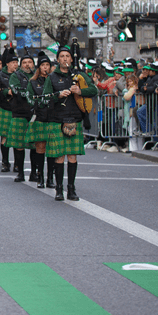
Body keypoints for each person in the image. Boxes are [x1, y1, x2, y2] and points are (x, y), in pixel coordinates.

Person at [42, 45, 98, 201]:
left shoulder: (79, 75)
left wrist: (80, 92)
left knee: (72, 156)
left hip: (74, 119)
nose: (65, 58)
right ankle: (59, 189)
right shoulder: (52, 77)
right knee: (59, 157)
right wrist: (57, 95)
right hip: (57, 120)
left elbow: (94, 90)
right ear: (58, 59)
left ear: (71, 59)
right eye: (62, 56)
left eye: (67, 56)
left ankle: (71, 189)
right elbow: (44, 98)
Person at [27, 53, 54, 189]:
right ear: (39, 67)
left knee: (51, 149)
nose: (45, 67)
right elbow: (30, 99)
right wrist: (38, 103)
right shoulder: (33, 82)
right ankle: (40, 177)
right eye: (43, 65)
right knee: (40, 148)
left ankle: (50, 178)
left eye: (47, 65)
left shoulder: (54, 80)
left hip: (52, 118)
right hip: (40, 117)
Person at [7, 51, 34, 183]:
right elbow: (16, 90)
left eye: (29, 62)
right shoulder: (15, 76)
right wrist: (31, 93)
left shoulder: (37, 76)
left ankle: (35, 172)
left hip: (35, 113)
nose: (27, 64)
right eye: (24, 62)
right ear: (20, 65)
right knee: (19, 144)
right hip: (19, 111)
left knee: (35, 144)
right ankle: (20, 172)